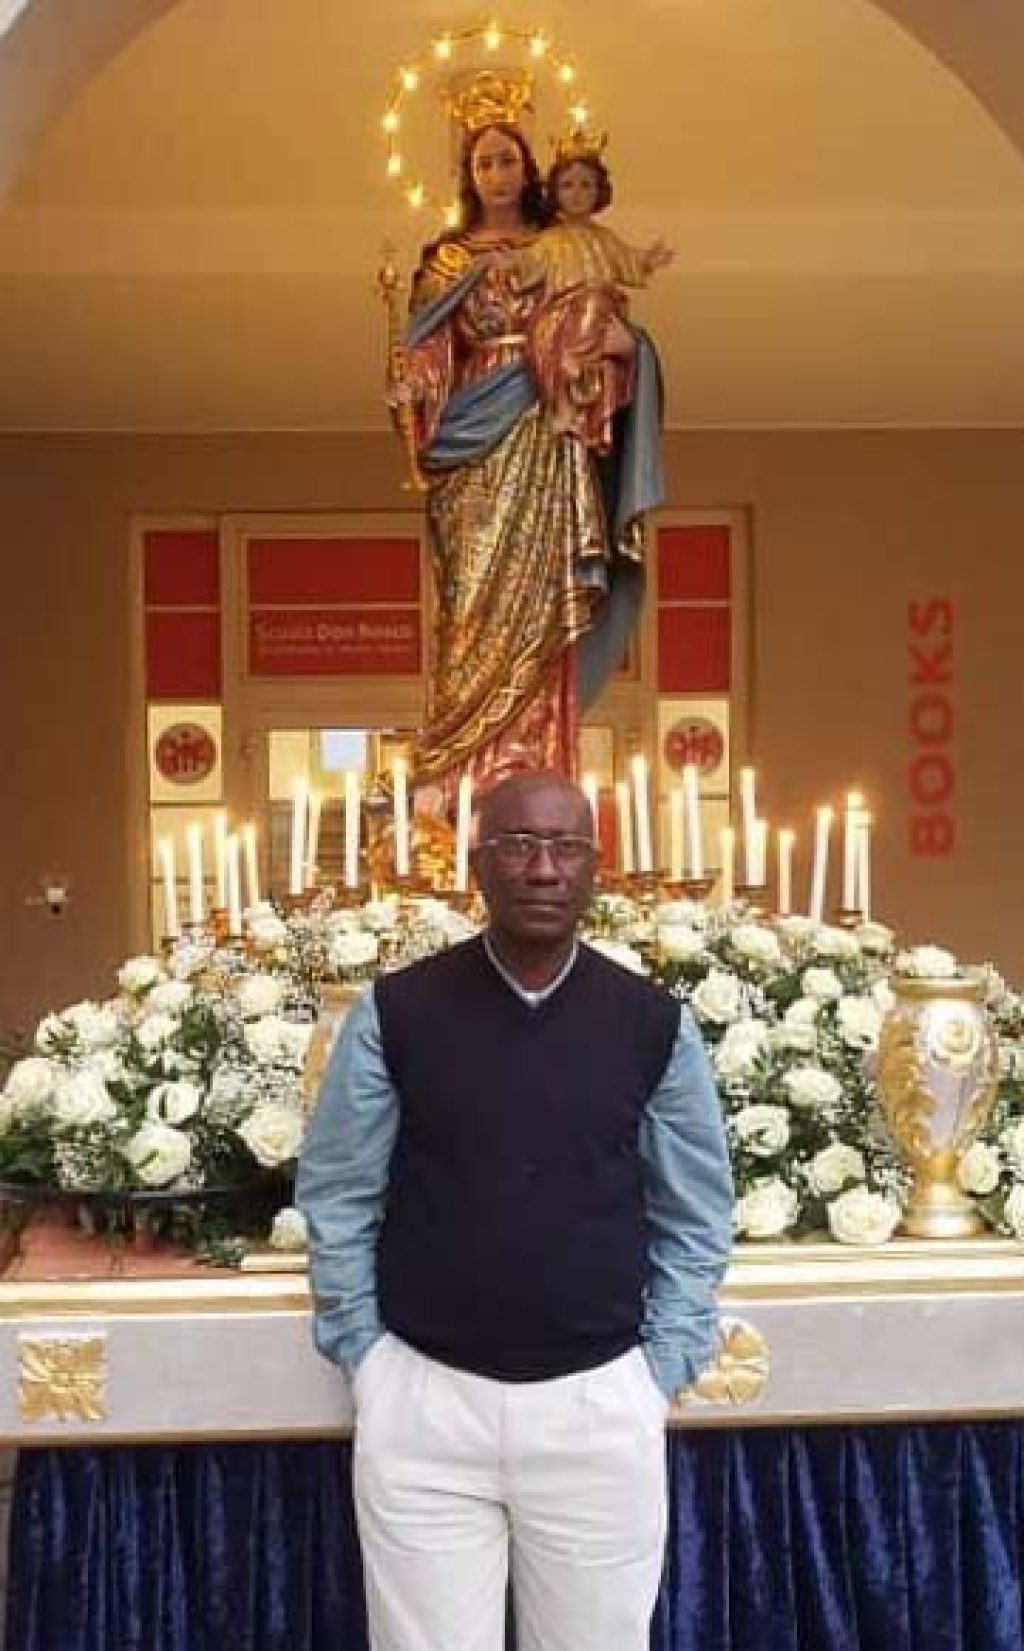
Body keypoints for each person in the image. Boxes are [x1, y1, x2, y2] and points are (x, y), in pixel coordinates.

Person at [297, 769, 735, 1651]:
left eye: (566, 847)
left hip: (598, 1403)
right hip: (423, 1402)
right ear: (477, 863)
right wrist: (367, 1354)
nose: (543, 868)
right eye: (520, 845)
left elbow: (696, 1211)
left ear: (595, 868)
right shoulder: (397, 1012)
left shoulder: (652, 1024)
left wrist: (657, 1370)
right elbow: (338, 1189)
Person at [393, 97, 665, 798]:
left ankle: (532, 770)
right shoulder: (450, 260)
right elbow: (426, 347)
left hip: (547, 427)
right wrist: (413, 385)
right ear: (468, 174)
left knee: (545, 600)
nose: (496, 174)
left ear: (528, 168)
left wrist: (626, 348)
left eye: (507, 159)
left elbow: (604, 319)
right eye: (483, 162)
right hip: (469, 441)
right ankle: (456, 772)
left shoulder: (562, 245)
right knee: (470, 601)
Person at [505, 139, 674, 455]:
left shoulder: (604, 238)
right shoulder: (549, 240)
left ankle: (588, 413)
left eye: (586, 185)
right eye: (568, 185)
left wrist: (648, 260)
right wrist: (510, 263)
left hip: (601, 315)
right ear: (555, 192)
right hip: (562, 315)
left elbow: (627, 260)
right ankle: (566, 393)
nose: (577, 193)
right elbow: (528, 266)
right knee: (584, 312)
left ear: (599, 192)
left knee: (614, 346)